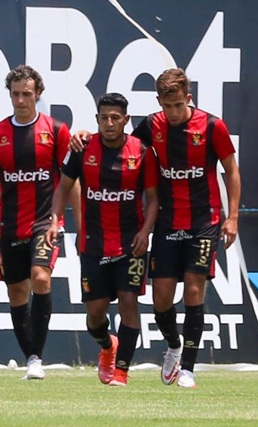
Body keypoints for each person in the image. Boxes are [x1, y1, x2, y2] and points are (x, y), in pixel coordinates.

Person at [71, 68, 241, 388]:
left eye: (179, 105)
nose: (174, 112)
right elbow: (120, 147)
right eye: (168, 105)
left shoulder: (212, 126)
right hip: (167, 222)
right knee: (162, 299)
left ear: (188, 98)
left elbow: (231, 170)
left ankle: (188, 369)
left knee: (193, 289)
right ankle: (174, 347)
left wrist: (233, 217)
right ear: (159, 102)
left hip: (205, 221)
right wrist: (83, 136)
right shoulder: (151, 126)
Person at [45, 93, 159, 386]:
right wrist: (55, 220)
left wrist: (146, 231)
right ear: (97, 120)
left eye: (115, 118)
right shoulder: (83, 149)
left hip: (130, 242)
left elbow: (153, 198)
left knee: (129, 301)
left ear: (126, 120)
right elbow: (63, 187)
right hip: (93, 244)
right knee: (95, 315)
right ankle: (108, 347)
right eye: (104, 118)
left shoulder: (142, 152)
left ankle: (121, 371)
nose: (109, 123)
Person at [0, 65, 80, 380]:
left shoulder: (56, 130)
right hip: (8, 225)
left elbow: (70, 180)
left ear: (38, 95)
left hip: (44, 222)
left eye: (27, 94)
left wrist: (80, 222)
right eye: (15, 94)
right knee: (17, 292)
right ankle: (33, 357)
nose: (21, 100)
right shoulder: (1, 133)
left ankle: (35, 359)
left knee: (41, 278)